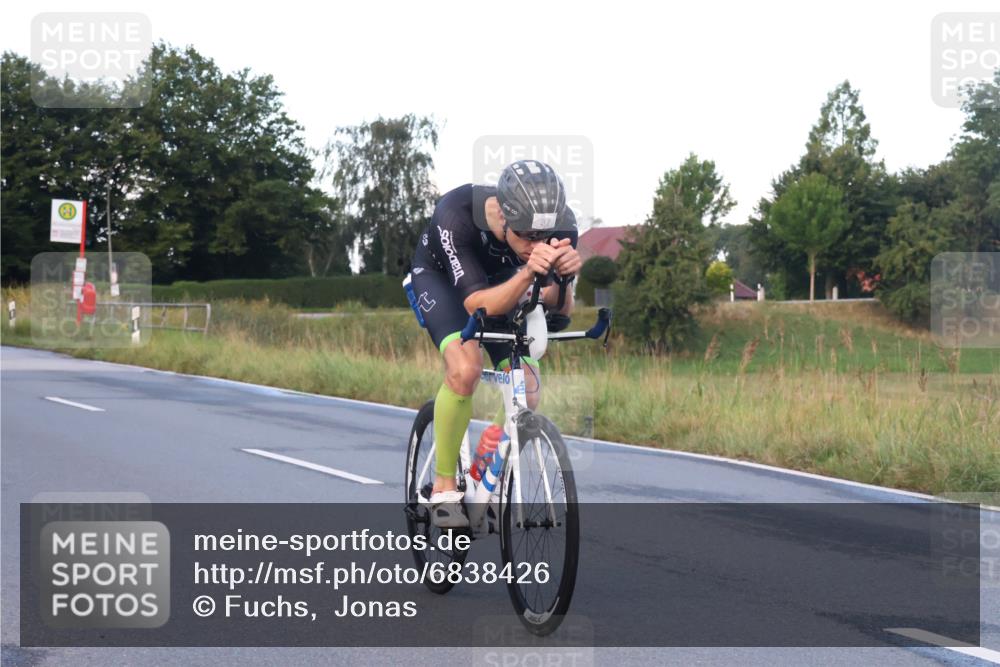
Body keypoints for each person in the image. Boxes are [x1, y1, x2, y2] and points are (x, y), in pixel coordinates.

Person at [408, 160, 582, 527]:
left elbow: (560, 309)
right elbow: (476, 305)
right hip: (444, 282)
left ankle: (486, 462)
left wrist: (565, 281)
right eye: (527, 237)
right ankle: (442, 487)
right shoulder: (456, 215)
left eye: (543, 238)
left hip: (504, 282)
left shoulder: (560, 226)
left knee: (529, 392)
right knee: (465, 368)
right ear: (502, 217)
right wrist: (528, 274)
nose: (537, 246)